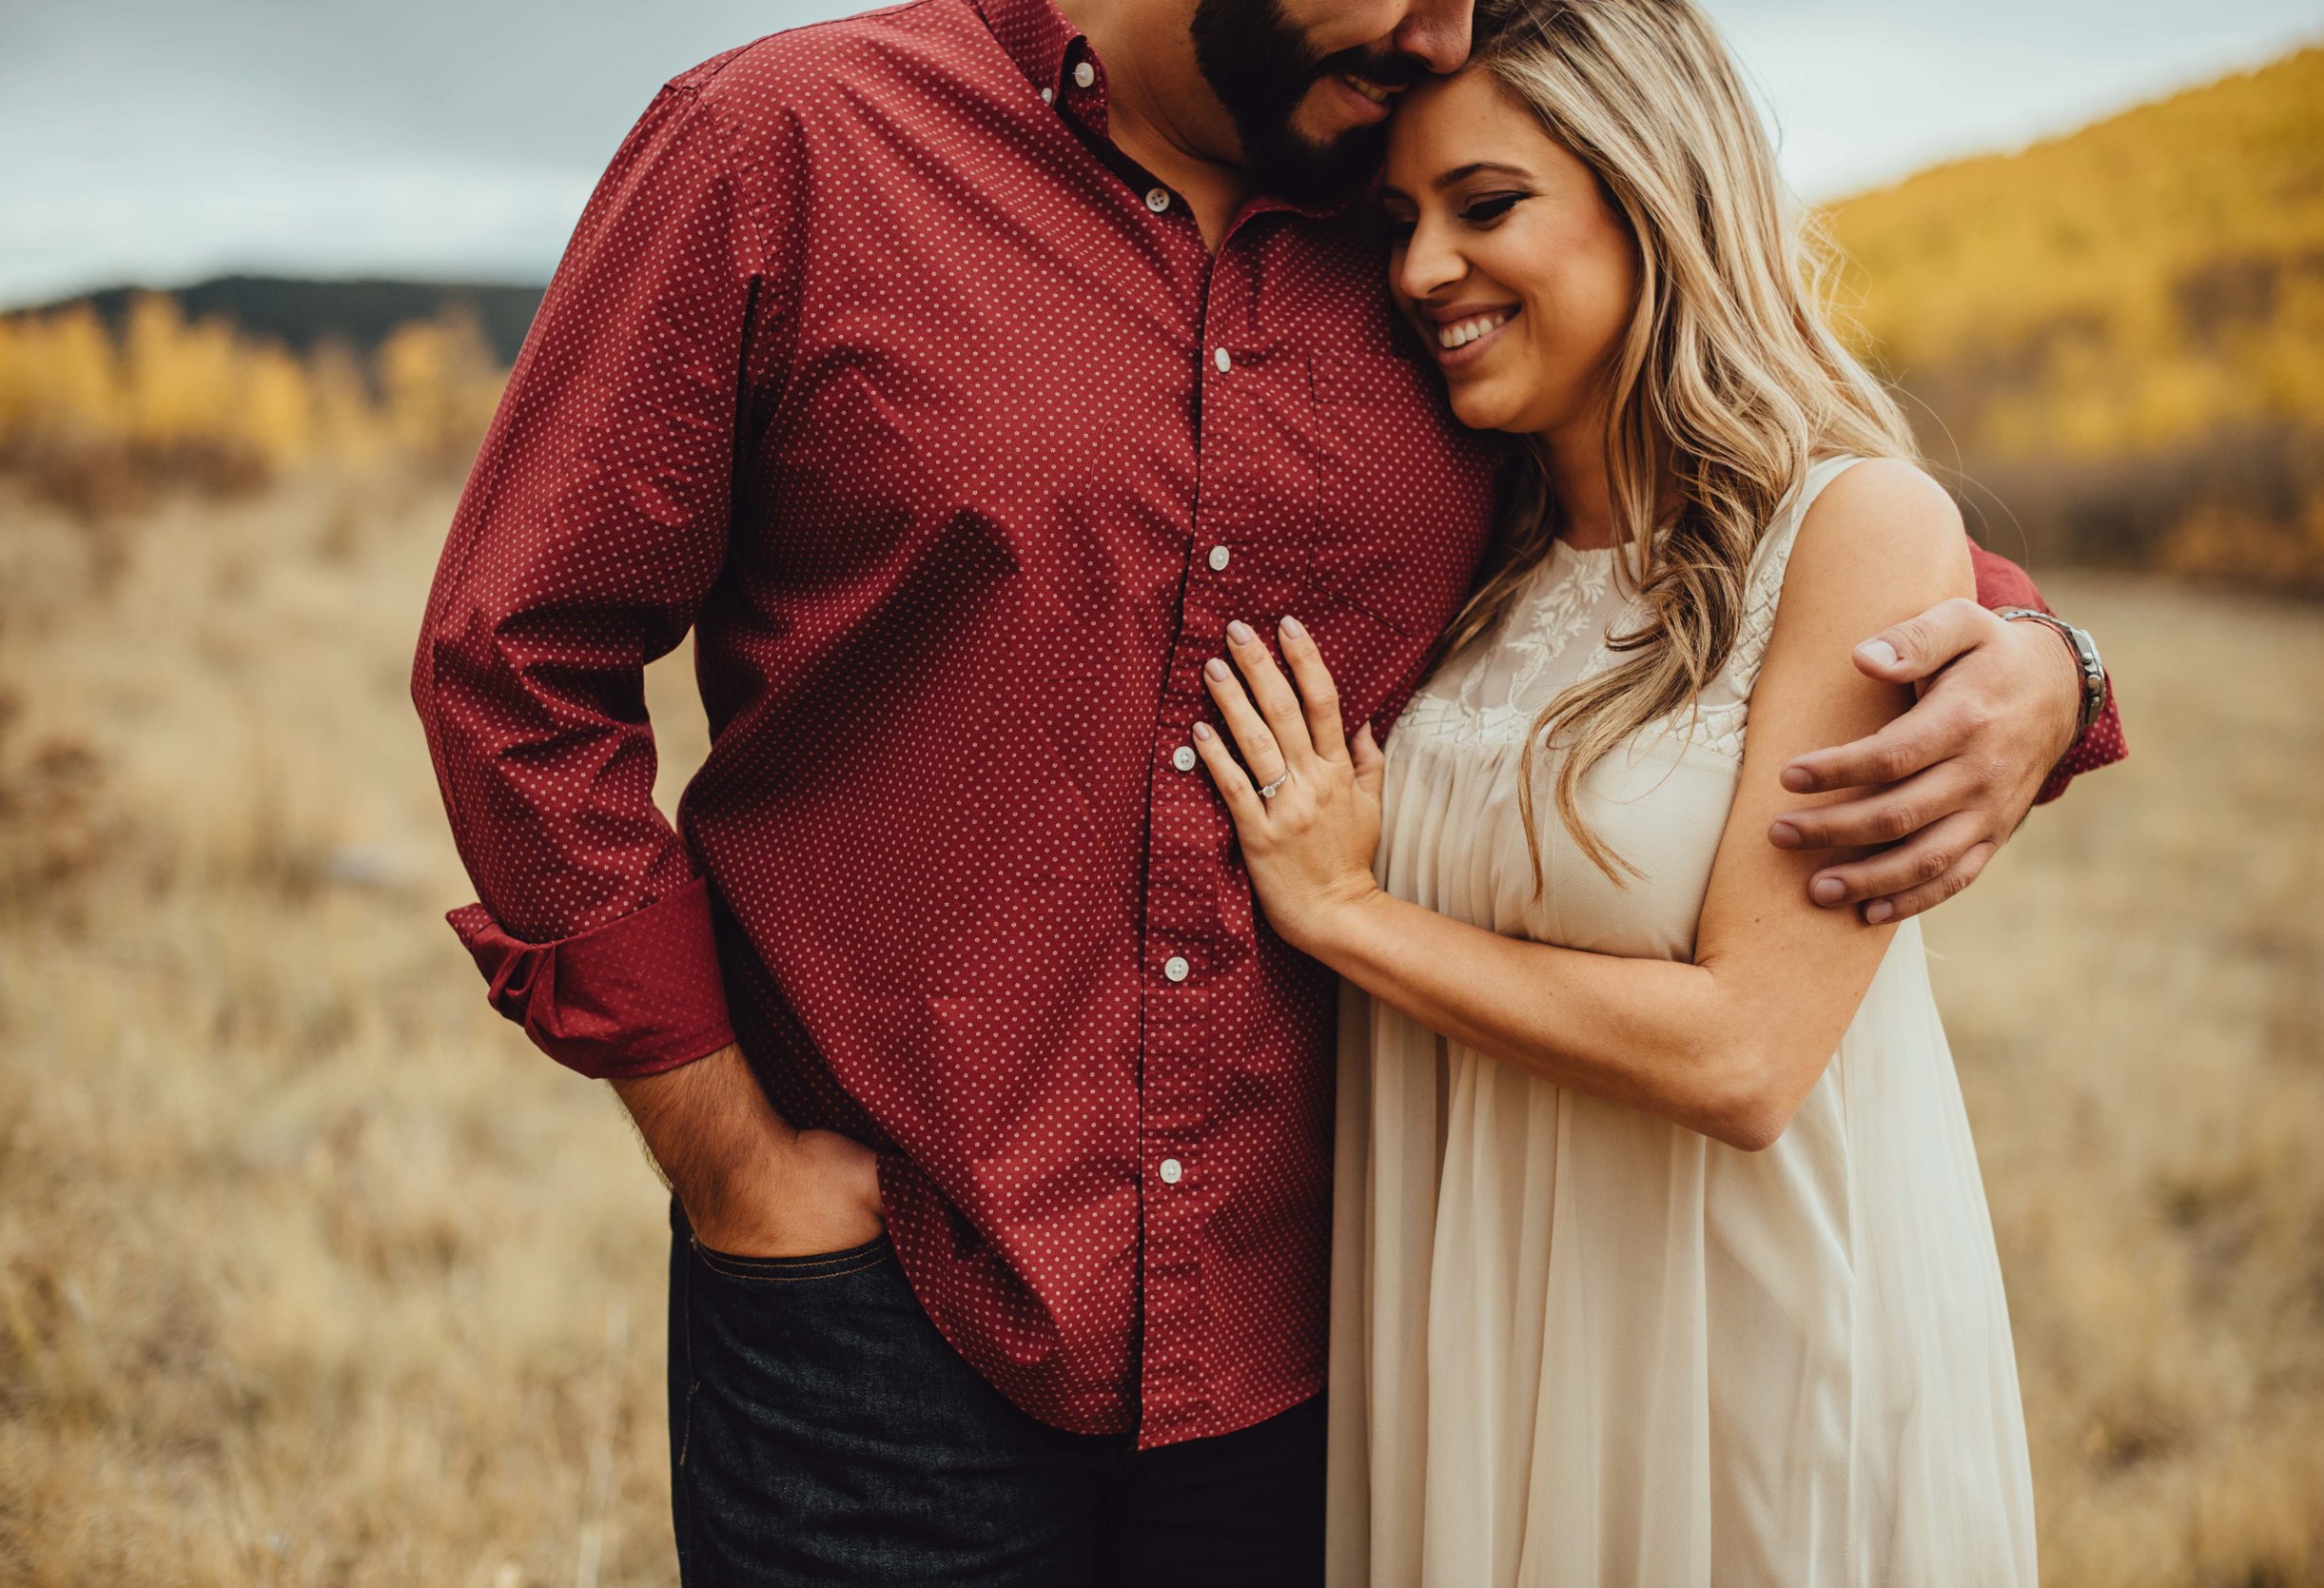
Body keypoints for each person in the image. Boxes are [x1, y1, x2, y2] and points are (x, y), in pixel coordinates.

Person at [408, 0, 2122, 1580]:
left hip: (1327, 1350)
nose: (1444, 26)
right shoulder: (783, 148)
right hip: (879, 1316)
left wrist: (2045, 662)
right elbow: (515, 654)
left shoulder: (1400, 210)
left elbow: (1731, 520)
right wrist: (730, 1163)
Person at [1180, 0, 2091, 1580]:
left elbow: (1747, 1053)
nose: (1418, 275)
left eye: (1487, 206)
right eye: (1401, 223)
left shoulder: (1857, 524)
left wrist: (1344, 910)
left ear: (1655, 192)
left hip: (1729, 1358)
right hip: (1484, 1349)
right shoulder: (1480, 549)